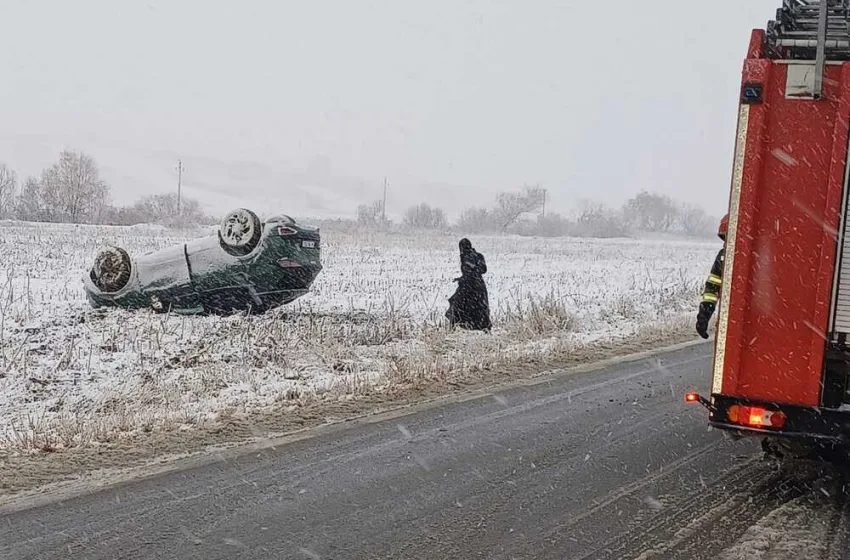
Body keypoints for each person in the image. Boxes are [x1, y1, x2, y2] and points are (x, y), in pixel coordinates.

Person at [446, 238, 492, 331]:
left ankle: (455, 327)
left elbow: (470, 272)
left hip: (469, 286)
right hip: (479, 285)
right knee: (479, 306)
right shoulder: (479, 256)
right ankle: (482, 326)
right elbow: (483, 270)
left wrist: (464, 278)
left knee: (456, 305)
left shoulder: (465, 256)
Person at [696, 214, 729, 339]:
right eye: (725, 238)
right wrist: (704, 314)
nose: (727, 243)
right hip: (730, 316)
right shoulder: (723, 256)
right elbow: (712, 287)